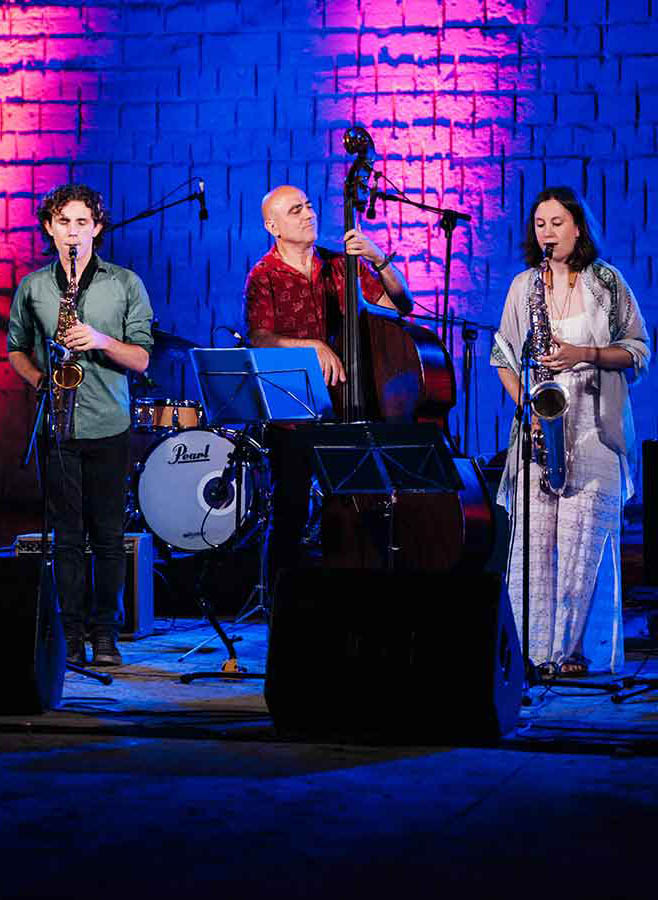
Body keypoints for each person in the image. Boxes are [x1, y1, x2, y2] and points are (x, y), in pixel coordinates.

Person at [491, 186, 650, 676]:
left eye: (557, 222)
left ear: (578, 227)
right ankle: (533, 653)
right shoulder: (524, 287)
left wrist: (585, 354)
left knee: (583, 549)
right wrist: (531, 410)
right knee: (535, 550)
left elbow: (639, 350)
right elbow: (502, 356)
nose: (547, 232)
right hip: (544, 431)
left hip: (595, 430)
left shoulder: (607, 282)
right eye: (540, 223)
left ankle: (574, 653)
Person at [8, 184, 154, 667]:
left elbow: (141, 357)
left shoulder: (125, 283)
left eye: (82, 223)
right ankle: (70, 636)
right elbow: (15, 349)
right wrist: (40, 381)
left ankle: (105, 633)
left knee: (109, 537)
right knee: (67, 538)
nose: (73, 232)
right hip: (58, 427)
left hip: (108, 425)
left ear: (97, 228)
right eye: (64, 222)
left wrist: (99, 339)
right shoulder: (34, 287)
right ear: (50, 228)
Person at [244, 184, 413, 586]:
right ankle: (282, 606)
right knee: (291, 510)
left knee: (361, 506)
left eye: (308, 206)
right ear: (273, 226)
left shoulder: (340, 266)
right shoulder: (263, 275)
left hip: (347, 404)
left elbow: (399, 305)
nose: (308, 214)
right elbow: (260, 337)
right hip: (294, 408)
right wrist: (312, 346)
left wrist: (378, 258)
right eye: (295, 210)